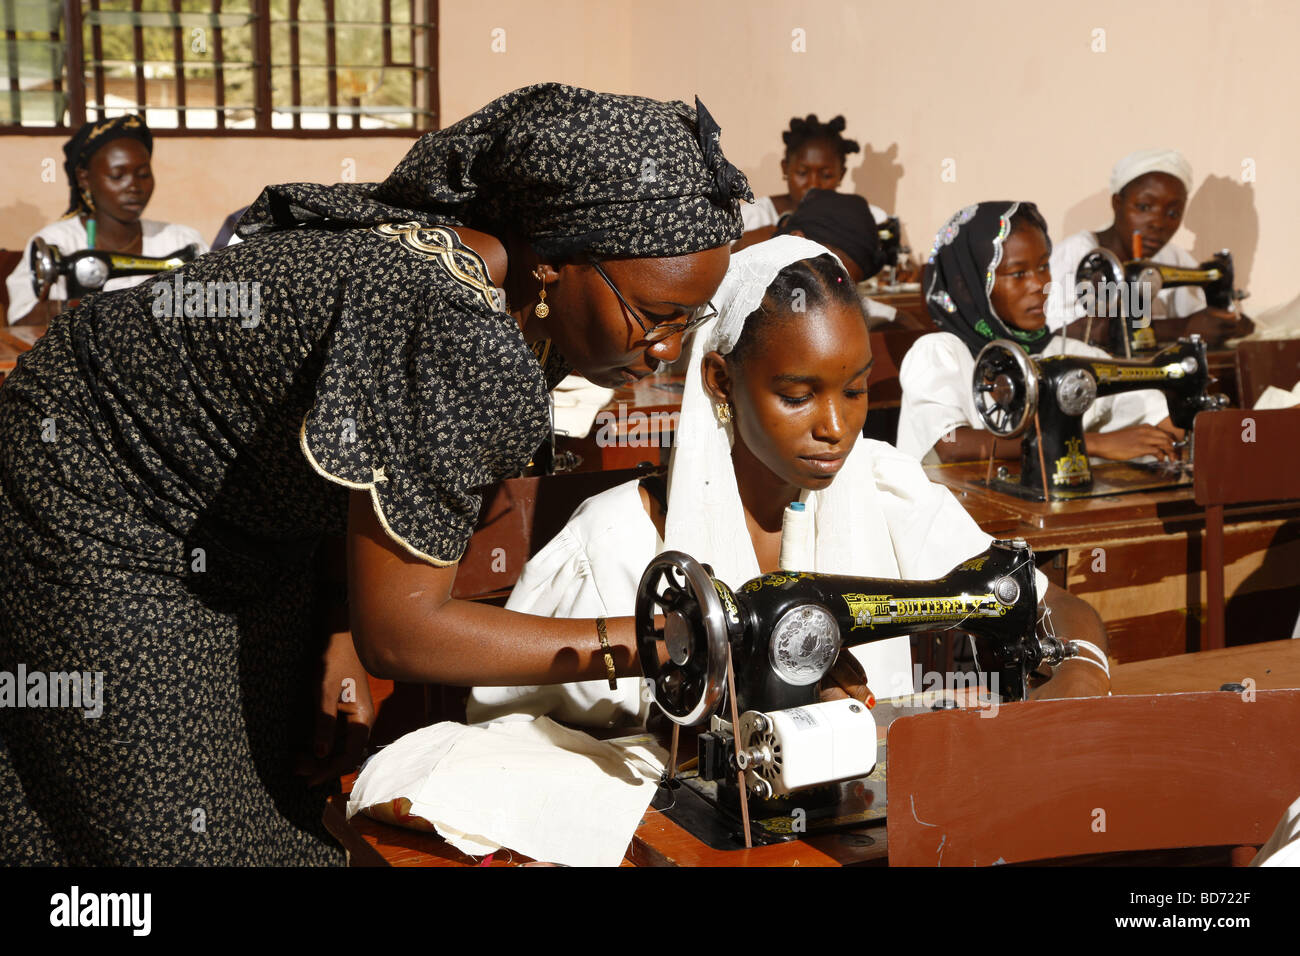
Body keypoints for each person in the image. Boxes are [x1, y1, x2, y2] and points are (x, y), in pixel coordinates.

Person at [0, 83, 752, 865]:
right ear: (558, 263)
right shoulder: (453, 324)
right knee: (181, 829)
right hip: (93, 486)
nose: (666, 350)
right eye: (655, 315)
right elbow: (404, 630)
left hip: (243, 506)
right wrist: (648, 644)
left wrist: (337, 620)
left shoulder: (516, 292)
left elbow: (368, 477)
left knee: (283, 787)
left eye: (689, 320)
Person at [469, 236, 1111, 730]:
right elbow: (512, 743)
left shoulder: (886, 487)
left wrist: (1080, 674)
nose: (836, 427)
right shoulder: (614, 545)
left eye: (856, 391)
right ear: (720, 382)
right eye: (798, 395)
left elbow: (1044, 602)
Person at [897, 201, 1183, 465]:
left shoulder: (1071, 355)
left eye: (1044, 266)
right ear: (966, 285)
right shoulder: (940, 353)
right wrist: (1090, 444)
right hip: (945, 513)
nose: (1040, 284)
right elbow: (952, 445)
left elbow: (1160, 416)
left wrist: (1183, 433)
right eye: (1018, 273)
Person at [5, 114, 208, 324]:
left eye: (144, 174)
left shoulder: (181, 240)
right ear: (84, 178)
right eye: (117, 176)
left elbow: (215, 311)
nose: (134, 187)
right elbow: (21, 322)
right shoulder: (55, 243)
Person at [1043, 148, 1252, 345]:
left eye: (1173, 213)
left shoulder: (1174, 258)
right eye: (1144, 207)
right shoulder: (1075, 255)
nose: (1158, 223)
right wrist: (1181, 327)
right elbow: (1066, 334)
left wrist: (1227, 324)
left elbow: (1203, 321)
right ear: (1117, 203)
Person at [736, 114, 888, 249]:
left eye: (827, 175)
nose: (814, 185)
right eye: (802, 173)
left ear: (841, 175)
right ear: (785, 168)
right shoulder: (751, 218)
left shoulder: (866, 218)